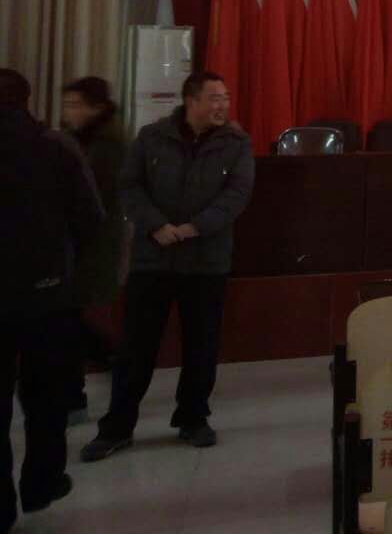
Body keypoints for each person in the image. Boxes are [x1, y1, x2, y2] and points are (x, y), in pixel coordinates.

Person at [83, 71, 254, 462]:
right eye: (214, 98)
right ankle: (116, 428)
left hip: (206, 262)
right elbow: (129, 187)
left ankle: (193, 418)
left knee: (201, 346)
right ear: (191, 101)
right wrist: (156, 225)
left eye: (225, 98)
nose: (223, 106)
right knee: (136, 348)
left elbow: (237, 195)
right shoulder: (152, 137)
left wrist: (196, 228)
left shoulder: (236, 144)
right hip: (153, 259)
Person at [1, 68, 103, 531]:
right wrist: (62, 265)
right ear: (28, 99)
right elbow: (90, 219)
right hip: (47, 295)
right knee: (46, 398)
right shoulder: (56, 147)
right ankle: (42, 483)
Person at [58, 77, 129, 421]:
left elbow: (90, 196)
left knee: (67, 318)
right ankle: (99, 370)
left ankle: (78, 394)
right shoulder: (75, 138)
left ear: (97, 108)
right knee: (67, 318)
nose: (68, 112)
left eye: (75, 105)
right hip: (72, 242)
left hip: (92, 244)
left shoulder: (109, 145)